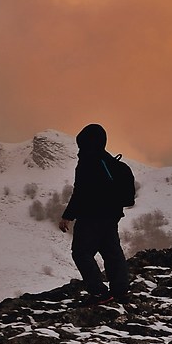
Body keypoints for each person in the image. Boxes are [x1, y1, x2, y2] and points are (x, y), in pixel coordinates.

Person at [57, 123, 130, 302]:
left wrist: (68, 215)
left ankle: (98, 291)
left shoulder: (87, 161)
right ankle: (120, 290)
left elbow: (80, 191)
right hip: (111, 216)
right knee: (111, 251)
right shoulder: (110, 161)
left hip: (90, 216)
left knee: (81, 252)